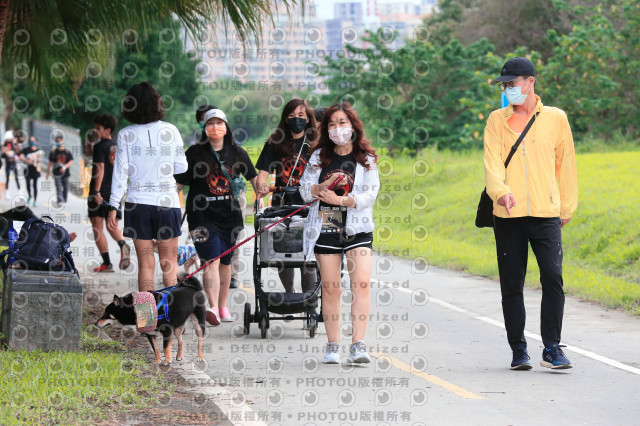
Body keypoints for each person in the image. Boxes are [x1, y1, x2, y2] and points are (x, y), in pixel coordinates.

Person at [484, 57, 578, 370]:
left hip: (545, 212)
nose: (508, 89)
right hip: (507, 214)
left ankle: (552, 347)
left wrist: (566, 205)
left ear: (530, 82)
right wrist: (501, 191)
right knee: (512, 284)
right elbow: (492, 163)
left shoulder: (556, 118)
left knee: (553, 277)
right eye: (505, 85)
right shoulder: (496, 120)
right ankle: (518, 349)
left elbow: (566, 164)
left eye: (513, 83)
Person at [299, 102, 379, 364]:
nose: (337, 128)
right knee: (331, 288)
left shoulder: (366, 158)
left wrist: (341, 200)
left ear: (353, 126)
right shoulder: (318, 156)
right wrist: (322, 186)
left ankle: (358, 344)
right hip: (326, 225)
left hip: (357, 227)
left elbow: (370, 195)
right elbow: (304, 190)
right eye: (332, 124)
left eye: (342, 122)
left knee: (361, 284)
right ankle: (333, 345)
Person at [175, 107, 258, 326]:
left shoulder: (238, 153)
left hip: (230, 217)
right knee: (210, 259)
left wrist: (263, 191)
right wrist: (166, 205)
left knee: (225, 262)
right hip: (200, 217)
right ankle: (212, 307)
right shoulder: (194, 153)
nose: (215, 127)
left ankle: (222, 306)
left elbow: (255, 179)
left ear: (226, 126)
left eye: (219, 123)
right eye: (210, 123)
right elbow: (179, 184)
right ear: (204, 127)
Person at [107, 82, 187, 292]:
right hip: (167, 202)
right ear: (157, 104)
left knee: (146, 264)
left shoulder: (125, 134)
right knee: (169, 264)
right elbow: (182, 166)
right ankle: (170, 311)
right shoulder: (171, 130)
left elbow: (120, 173)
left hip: (137, 204)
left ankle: (145, 313)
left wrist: (113, 206)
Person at [255, 99, 319, 294]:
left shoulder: (317, 143)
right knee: (284, 253)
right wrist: (262, 187)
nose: (296, 119)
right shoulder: (275, 142)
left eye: (301, 115)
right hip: (282, 205)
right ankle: (290, 293)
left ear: (308, 119)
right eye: (291, 116)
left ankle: (308, 298)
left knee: (308, 256)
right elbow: (262, 175)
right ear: (285, 118)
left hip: (310, 205)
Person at [88, 114, 131, 273]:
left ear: (108, 130)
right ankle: (123, 243)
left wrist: (96, 190)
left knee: (97, 228)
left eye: (98, 128)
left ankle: (107, 264)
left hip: (100, 191)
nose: (95, 130)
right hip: (115, 191)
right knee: (112, 225)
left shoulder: (100, 146)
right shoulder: (117, 147)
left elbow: (100, 168)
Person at [46, 136, 74, 205]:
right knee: (58, 186)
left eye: (59, 141)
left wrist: (64, 167)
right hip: (56, 172)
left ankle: (64, 199)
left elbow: (71, 161)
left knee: (65, 187)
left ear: (62, 141)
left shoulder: (67, 152)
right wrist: (47, 172)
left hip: (65, 173)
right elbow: (50, 163)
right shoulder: (53, 152)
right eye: (56, 141)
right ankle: (60, 200)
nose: (57, 143)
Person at [19, 136, 44, 207]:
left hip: (35, 170)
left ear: (36, 142)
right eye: (30, 140)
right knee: (28, 184)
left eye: (33, 140)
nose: (32, 142)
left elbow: (40, 159)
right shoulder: (26, 150)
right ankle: (29, 195)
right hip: (27, 170)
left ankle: (35, 200)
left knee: (35, 185)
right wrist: (27, 160)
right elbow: (21, 157)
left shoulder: (39, 151)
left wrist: (36, 160)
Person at [2, 134, 21, 198]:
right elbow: (2, 156)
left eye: (9, 139)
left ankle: (19, 191)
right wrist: (5, 151)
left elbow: (18, 153)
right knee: (7, 178)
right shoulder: (4, 146)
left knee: (16, 177)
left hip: (13, 163)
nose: (9, 140)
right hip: (8, 164)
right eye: (7, 139)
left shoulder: (13, 145)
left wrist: (15, 145)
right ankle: (7, 193)